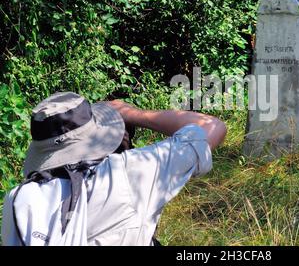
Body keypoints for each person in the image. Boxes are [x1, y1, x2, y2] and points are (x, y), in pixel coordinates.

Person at [1, 92, 227, 246]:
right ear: (98, 134)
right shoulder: (128, 172)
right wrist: (130, 113)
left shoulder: (19, 198)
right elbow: (211, 127)